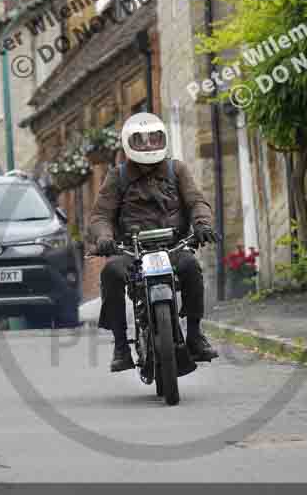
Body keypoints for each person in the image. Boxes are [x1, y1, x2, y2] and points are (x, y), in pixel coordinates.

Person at [87, 112, 219, 372]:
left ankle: (194, 334)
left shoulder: (176, 169)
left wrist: (202, 224)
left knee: (191, 267)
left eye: (153, 139)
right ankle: (121, 346)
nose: (148, 145)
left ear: (163, 140)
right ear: (128, 142)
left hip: (173, 247)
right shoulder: (117, 176)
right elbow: (100, 215)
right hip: (131, 251)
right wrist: (104, 237)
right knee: (111, 273)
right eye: (140, 140)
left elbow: (196, 202)